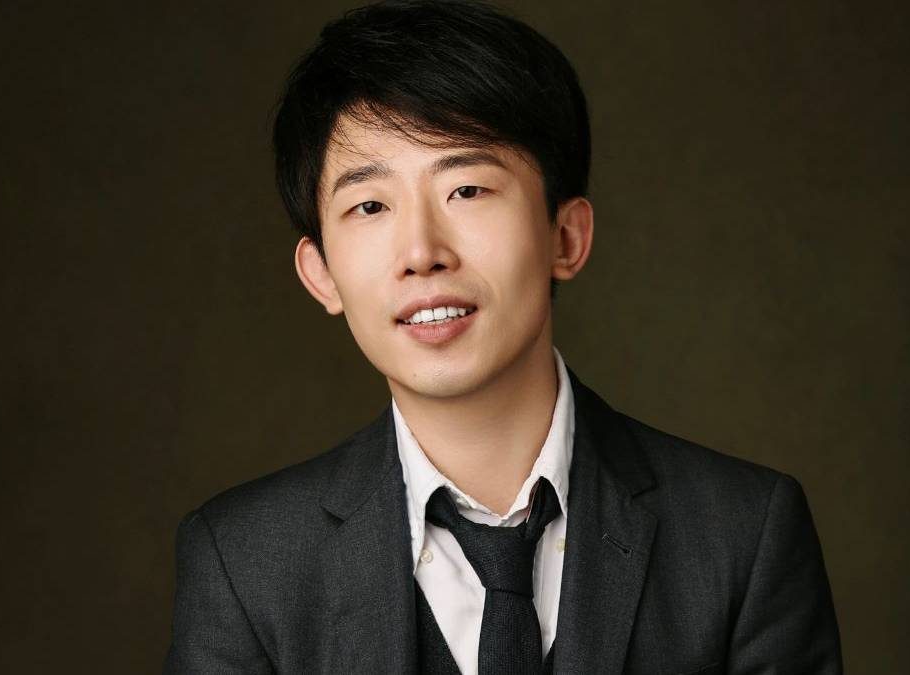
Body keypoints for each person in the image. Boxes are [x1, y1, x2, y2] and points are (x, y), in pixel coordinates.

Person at [164, 1, 843, 672]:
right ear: (321, 275)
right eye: (370, 205)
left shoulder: (742, 532)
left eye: (467, 190)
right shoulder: (243, 562)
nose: (421, 252)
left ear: (565, 236)